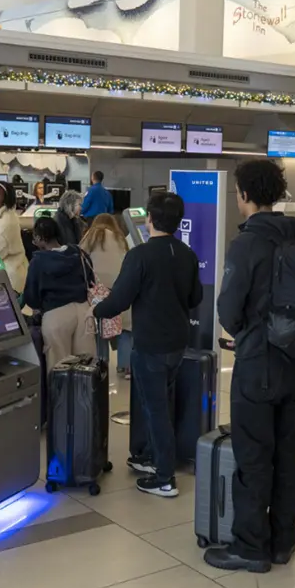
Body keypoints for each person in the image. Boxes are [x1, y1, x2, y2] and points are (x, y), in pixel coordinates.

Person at [205, 159, 295, 574]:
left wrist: (242, 328)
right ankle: (283, 541)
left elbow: (230, 310)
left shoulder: (247, 243)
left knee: (253, 457)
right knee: (288, 454)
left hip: (257, 364)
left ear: (245, 195)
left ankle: (250, 548)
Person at [93, 194, 201, 497]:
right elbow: (195, 299)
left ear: (150, 220)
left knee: (155, 411)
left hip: (150, 343)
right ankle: (154, 457)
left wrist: (97, 309)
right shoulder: (187, 254)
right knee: (161, 403)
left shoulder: (140, 255)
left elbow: (120, 300)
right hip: (178, 343)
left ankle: (165, 477)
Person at [23, 217, 97, 369]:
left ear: (40, 238)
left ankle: (61, 394)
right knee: (85, 367)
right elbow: (91, 279)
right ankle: (84, 394)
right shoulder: (78, 253)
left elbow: (31, 297)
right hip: (84, 312)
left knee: (59, 367)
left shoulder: (38, 262)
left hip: (56, 315)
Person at [80, 213, 134, 379]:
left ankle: (101, 363)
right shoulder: (120, 238)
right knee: (126, 327)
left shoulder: (91, 235)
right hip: (120, 286)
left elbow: (79, 255)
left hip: (97, 288)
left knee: (99, 327)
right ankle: (125, 366)